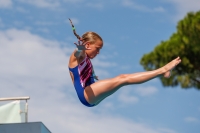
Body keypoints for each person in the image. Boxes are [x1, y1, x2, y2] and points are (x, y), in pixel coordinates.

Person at [68, 19, 181, 107]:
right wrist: (80, 48)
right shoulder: (78, 56)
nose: (98, 52)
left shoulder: (87, 60)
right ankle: (162, 70)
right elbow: (78, 53)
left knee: (123, 79)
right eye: (97, 48)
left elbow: (84, 70)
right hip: (87, 95)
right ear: (87, 45)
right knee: (123, 78)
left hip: (91, 96)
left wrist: (93, 74)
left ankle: (162, 72)